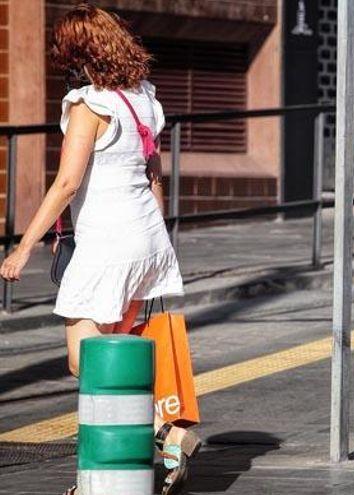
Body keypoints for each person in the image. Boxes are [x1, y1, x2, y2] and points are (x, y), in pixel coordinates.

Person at [0, 4, 200, 494]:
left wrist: (21, 248)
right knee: (121, 352)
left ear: (76, 51)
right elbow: (156, 178)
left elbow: (67, 182)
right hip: (145, 238)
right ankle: (104, 477)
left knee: (85, 361)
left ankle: (164, 430)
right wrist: (156, 242)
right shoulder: (144, 99)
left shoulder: (90, 105)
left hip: (108, 243)